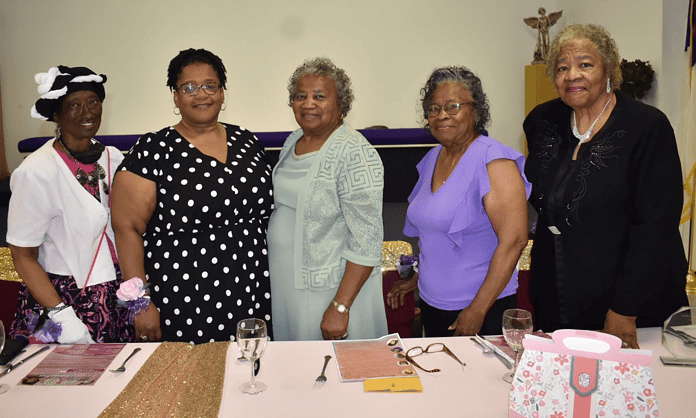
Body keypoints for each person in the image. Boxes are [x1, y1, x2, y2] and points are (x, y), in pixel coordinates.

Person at [524, 24, 688, 348]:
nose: (572, 75)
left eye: (585, 64)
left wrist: (624, 310)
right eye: (562, 67)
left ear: (609, 69)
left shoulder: (647, 127)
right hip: (557, 297)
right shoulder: (542, 121)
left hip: (630, 304)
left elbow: (656, 227)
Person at [112, 49, 274, 344]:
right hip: (184, 293)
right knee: (191, 381)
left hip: (250, 286)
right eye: (188, 87)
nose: (201, 94)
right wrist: (140, 302)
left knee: (248, 373)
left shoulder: (247, 142)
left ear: (222, 92)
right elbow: (127, 229)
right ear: (176, 96)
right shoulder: (153, 150)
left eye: (210, 85)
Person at [387, 67, 531, 337]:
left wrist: (477, 310)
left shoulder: (494, 161)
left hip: (482, 309)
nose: (442, 115)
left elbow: (515, 241)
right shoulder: (431, 159)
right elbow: (436, 236)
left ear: (476, 111)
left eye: (452, 106)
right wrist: (417, 280)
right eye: (434, 108)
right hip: (434, 305)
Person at [9, 65, 133, 343]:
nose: (87, 112)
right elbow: (23, 256)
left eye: (93, 102)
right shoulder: (36, 171)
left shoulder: (113, 158)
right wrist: (62, 315)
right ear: (56, 114)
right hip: (65, 299)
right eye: (74, 105)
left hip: (117, 296)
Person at [267, 57, 388, 341]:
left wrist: (340, 306)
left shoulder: (355, 152)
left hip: (331, 290)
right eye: (300, 96)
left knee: (332, 373)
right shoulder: (293, 140)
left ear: (341, 105)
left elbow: (367, 238)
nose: (308, 103)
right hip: (288, 284)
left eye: (319, 96)